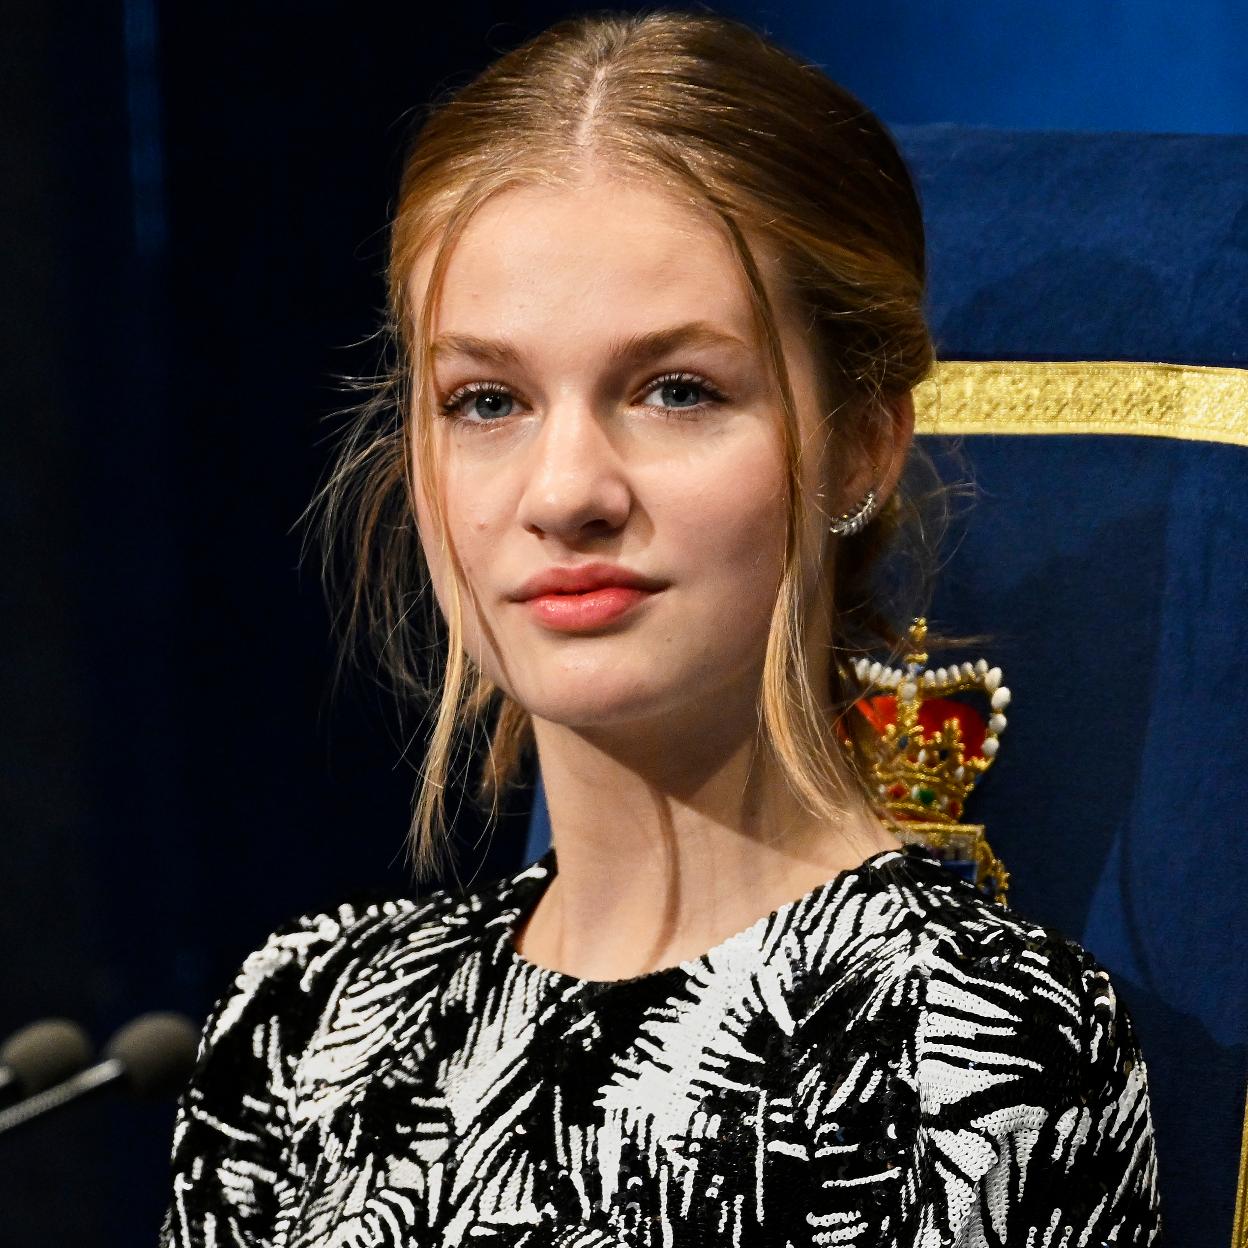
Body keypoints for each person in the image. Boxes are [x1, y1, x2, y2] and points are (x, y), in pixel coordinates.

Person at [159, 10, 1163, 1246]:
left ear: (858, 442)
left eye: (676, 390)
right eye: (487, 401)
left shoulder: (966, 1055)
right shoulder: (299, 1026)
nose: (566, 490)